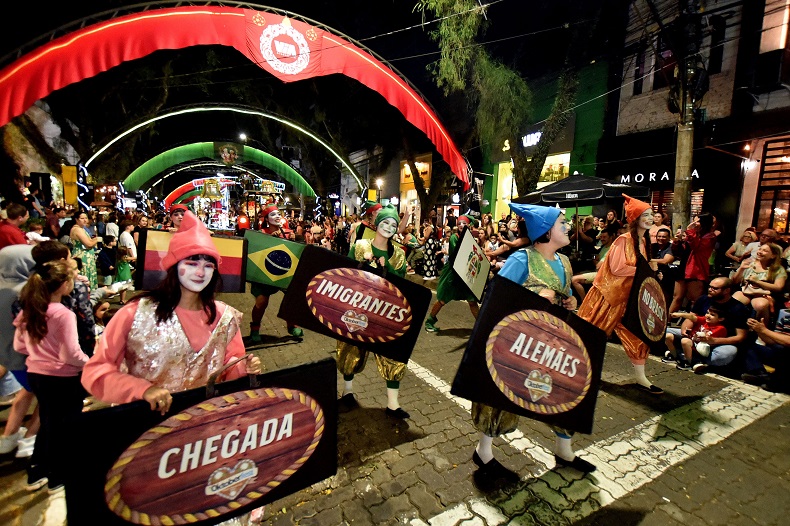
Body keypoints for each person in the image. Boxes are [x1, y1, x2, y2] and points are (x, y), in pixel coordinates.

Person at [82, 210, 261, 409]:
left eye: (208, 265)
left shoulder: (225, 317)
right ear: (174, 266)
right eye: (192, 264)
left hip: (204, 426)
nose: (200, 272)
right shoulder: (136, 314)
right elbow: (98, 371)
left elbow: (229, 365)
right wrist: (140, 389)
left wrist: (245, 367)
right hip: (146, 426)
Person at [471, 203, 596, 480]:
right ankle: (484, 451)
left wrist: (571, 301)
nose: (567, 228)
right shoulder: (522, 259)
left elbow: (563, 298)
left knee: (563, 391)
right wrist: (535, 296)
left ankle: (564, 450)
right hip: (519, 343)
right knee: (503, 393)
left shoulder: (564, 261)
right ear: (546, 231)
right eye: (562, 224)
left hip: (552, 344)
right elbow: (496, 297)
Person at [14, 259, 88, 493]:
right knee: (64, 427)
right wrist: (92, 363)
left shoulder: (31, 309)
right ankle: (57, 477)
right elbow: (71, 354)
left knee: (49, 423)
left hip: (38, 375)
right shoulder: (63, 314)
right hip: (62, 378)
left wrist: (39, 353)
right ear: (63, 285)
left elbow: (19, 346)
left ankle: (37, 471)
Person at [577, 195, 664, 394]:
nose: (651, 218)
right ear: (635, 218)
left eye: (652, 214)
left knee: (638, 338)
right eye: (646, 215)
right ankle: (580, 372)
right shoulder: (622, 241)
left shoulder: (642, 242)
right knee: (589, 337)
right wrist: (645, 271)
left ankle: (641, 378)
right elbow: (617, 268)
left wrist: (649, 273)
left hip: (627, 299)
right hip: (606, 298)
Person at [336, 205, 410, 418]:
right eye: (385, 222)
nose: (388, 227)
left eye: (393, 224)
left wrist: (390, 269)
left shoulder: (398, 255)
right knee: (349, 349)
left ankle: (393, 405)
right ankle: (347, 392)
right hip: (357, 308)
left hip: (383, 312)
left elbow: (403, 286)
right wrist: (363, 262)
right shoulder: (359, 245)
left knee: (392, 355)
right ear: (377, 224)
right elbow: (344, 274)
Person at [0, 245, 39, 459]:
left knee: (25, 393)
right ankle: (30, 440)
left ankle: (8, 437)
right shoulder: (25, 293)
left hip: (8, 357)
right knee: (47, 400)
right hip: (27, 359)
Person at [665, 277, 750, 374]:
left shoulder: (738, 308)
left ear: (727, 290)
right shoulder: (703, 299)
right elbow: (692, 317)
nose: (710, 289)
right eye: (710, 287)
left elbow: (740, 337)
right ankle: (689, 357)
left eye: (715, 288)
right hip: (696, 334)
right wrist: (685, 330)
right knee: (664, 331)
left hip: (719, 341)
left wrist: (714, 341)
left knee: (728, 353)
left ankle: (683, 355)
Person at [248, 203, 303, 342]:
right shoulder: (260, 234)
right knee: (261, 302)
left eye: (278, 214)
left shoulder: (288, 233)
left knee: (292, 298)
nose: (277, 216)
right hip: (264, 273)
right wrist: (270, 239)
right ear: (266, 219)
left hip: (284, 273)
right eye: (273, 214)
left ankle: (291, 325)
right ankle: (255, 329)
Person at [424, 215, 479, 332]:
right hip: (453, 273)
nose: (461, 225)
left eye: (464, 223)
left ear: (469, 225)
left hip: (465, 273)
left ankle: (480, 326)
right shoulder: (455, 237)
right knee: (443, 299)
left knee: (472, 301)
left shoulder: (470, 238)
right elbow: (456, 254)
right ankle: (429, 321)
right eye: (459, 223)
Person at [731, 242, 787, 323]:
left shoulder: (778, 269)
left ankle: (761, 330)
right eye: (760, 249)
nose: (760, 252)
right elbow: (735, 282)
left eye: (765, 251)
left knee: (760, 305)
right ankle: (737, 326)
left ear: (773, 255)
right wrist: (741, 269)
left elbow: (778, 287)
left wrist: (757, 282)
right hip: (747, 291)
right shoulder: (750, 263)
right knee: (734, 300)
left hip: (765, 294)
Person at [665, 306, 728, 370]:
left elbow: (711, 342)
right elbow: (692, 317)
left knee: (685, 341)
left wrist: (705, 337)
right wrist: (680, 315)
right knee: (668, 336)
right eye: (707, 313)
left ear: (721, 319)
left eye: (712, 315)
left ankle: (688, 362)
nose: (708, 316)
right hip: (691, 342)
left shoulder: (721, 328)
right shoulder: (704, 320)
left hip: (700, 348)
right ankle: (674, 357)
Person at [741, 312, 790, 392]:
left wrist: (764, 330)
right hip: (779, 353)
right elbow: (772, 341)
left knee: (781, 349)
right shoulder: (786, 318)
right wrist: (758, 330)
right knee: (748, 345)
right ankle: (760, 374)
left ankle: (779, 383)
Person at [571, 226, 616, 301]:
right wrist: (595, 259)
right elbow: (596, 258)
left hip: (603, 274)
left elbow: (598, 266)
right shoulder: (604, 247)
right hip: (597, 271)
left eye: (604, 237)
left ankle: (584, 302)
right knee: (576, 273)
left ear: (611, 237)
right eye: (601, 237)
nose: (602, 239)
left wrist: (595, 260)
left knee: (574, 280)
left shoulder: (611, 249)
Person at [70, 210, 101, 290]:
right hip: (83, 256)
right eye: (82, 218)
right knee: (85, 277)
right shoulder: (77, 229)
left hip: (87, 255)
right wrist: (97, 239)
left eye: (86, 218)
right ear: (76, 219)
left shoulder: (82, 228)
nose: (85, 220)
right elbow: (89, 244)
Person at [650, 227, 676, 306]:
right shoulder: (652, 246)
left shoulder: (672, 247)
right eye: (659, 236)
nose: (661, 238)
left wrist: (649, 260)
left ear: (669, 238)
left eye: (664, 237)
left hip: (667, 275)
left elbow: (666, 261)